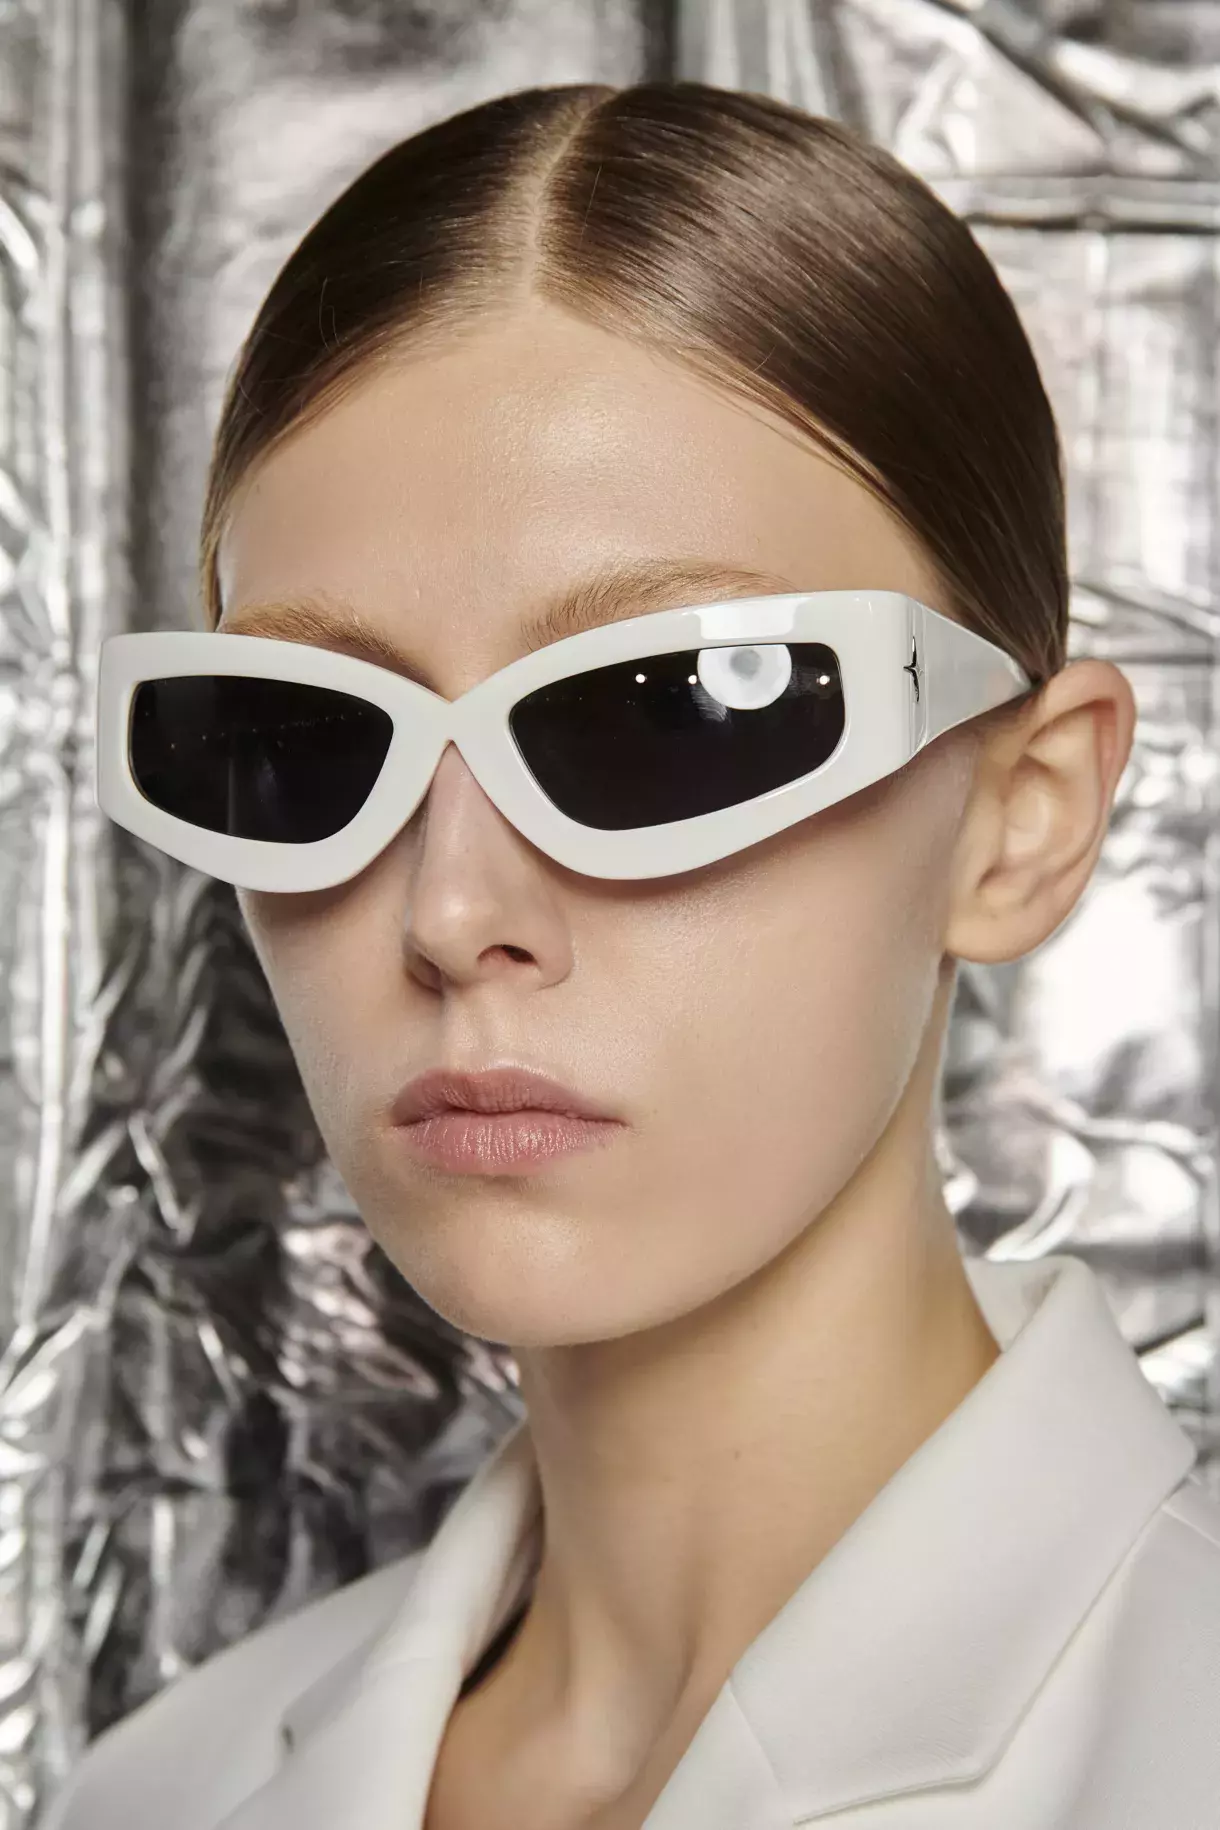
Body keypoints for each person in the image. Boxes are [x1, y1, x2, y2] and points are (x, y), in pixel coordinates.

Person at [49, 80, 1220, 1830]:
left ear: (1021, 817)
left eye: (668, 716)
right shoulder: (152, 1797)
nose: (451, 912)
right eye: (308, 740)